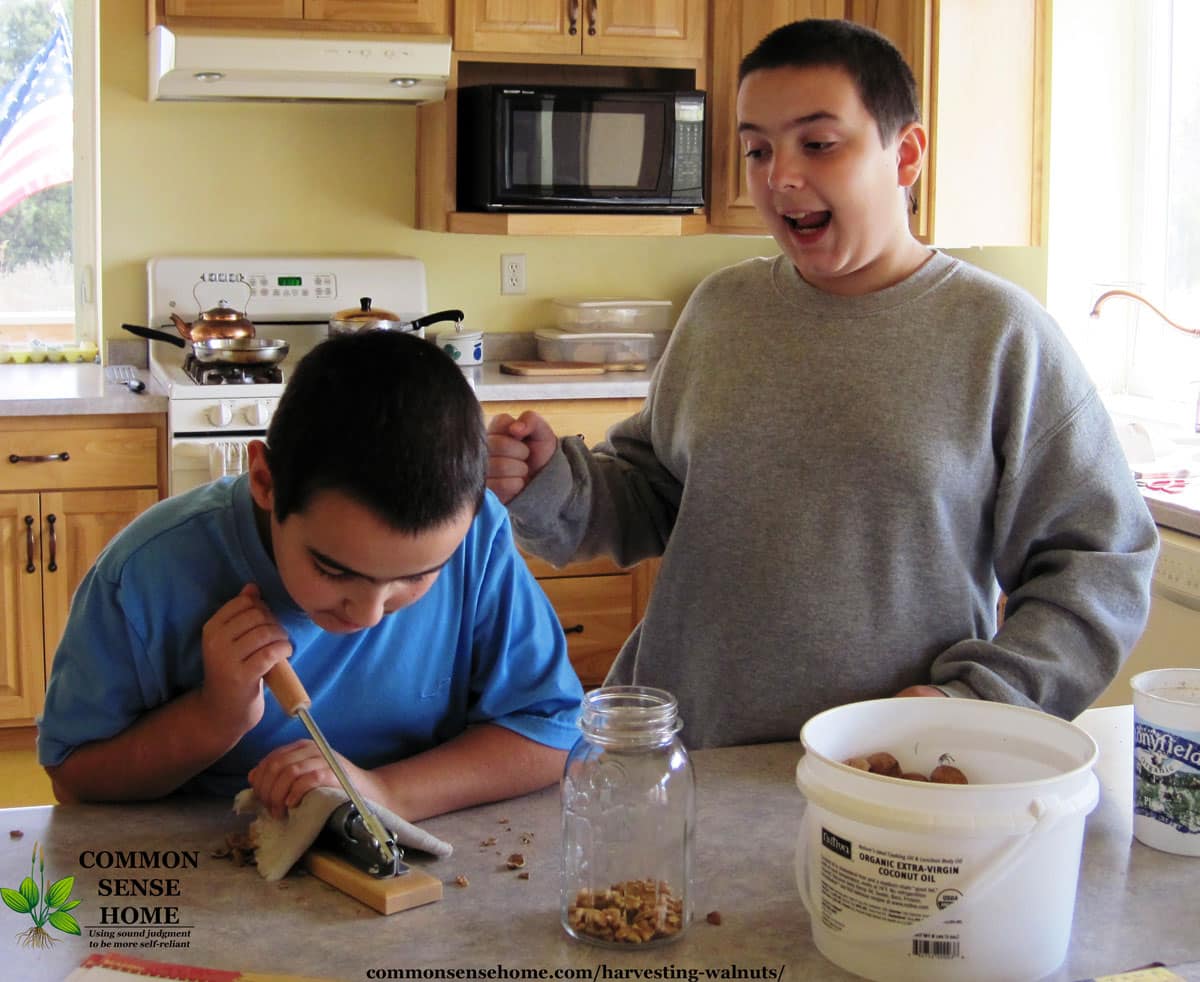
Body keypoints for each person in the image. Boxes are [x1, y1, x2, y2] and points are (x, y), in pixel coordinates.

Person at [485, 18, 1158, 749]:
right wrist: (553, 480)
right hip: (688, 756)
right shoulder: (721, 311)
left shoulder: (1002, 337)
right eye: (757, 149)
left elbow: (1100, 564)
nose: (781, 177)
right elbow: (655, 494)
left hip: (890, 770)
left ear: (905, 156)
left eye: (818, 143)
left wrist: (975, 701)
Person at [38, 330, 584, 820]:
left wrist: (385, 792)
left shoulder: (478, 537)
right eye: (331, 569)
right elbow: (75, 779)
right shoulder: (147, 573)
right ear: (264, 481)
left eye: (417, 577)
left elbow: (550, 732)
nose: (369, 614)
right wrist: (214, 716)